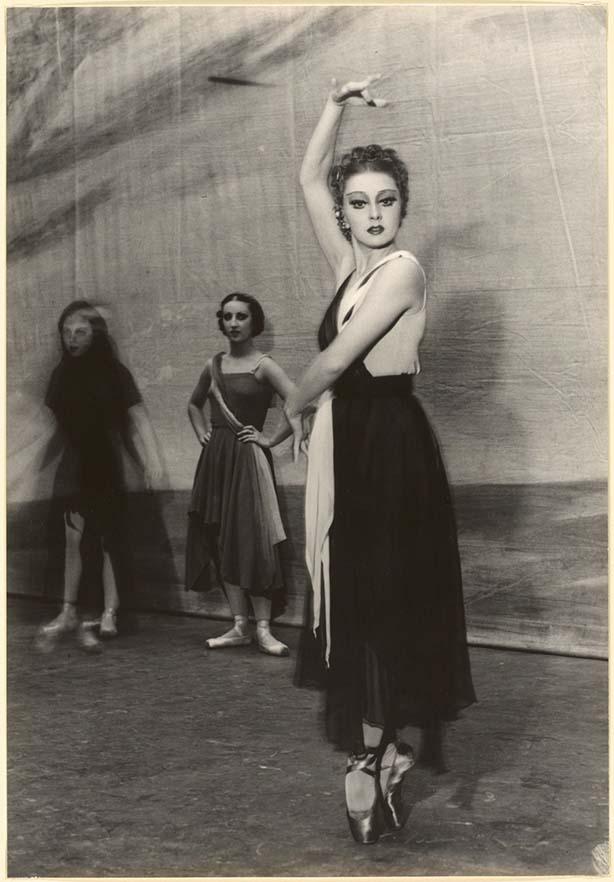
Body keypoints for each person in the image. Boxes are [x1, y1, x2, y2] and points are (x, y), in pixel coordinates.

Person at [284, 76, 476, 843]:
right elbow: (306, 178)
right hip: (350, 443)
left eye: (385, 200)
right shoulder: (348, 268)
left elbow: (333, 362)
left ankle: (376, 758)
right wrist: (336, 101)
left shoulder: (401, 270)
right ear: (346, 211)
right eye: (358, 202)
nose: (371, 214)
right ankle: (380, 754)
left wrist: (290, 410)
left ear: (402, 206)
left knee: (387, 600)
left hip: (390, 449)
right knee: (358, 600)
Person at [36, 300, 163, 652]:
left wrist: (150, 459)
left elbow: (137, 419)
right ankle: (67, 611)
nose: (72, 339)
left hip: (105, 465)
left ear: (96, 334)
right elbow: (50, 429)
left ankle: (110, 611)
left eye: (80, 331)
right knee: (73, 541)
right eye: (66, 332)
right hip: (73, 467)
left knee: (108, 541)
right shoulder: (61, 375)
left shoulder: (115, 372)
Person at [185, 292, 296, 657]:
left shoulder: (264, 365)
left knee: (252, 540)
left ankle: (263, 629)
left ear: (254, 322)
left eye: (241, 317)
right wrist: (203, 431)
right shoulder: (213, 364)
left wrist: (270, 438)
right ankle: (239, 626)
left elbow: (300, 403)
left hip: (248, 462)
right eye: (228, 317)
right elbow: (194, 403)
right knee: (221, 540)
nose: (233, 323)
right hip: (216, 462)